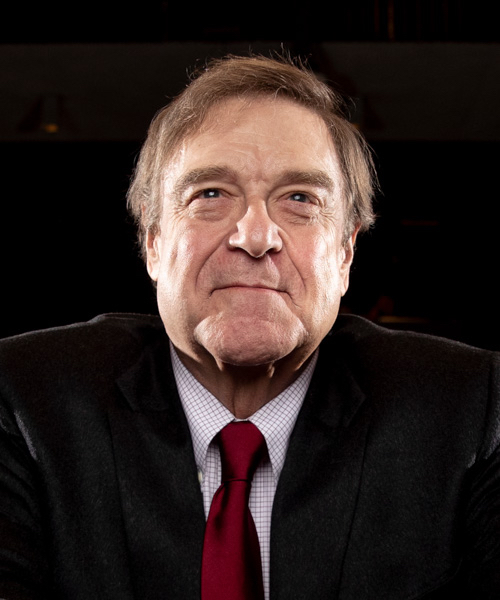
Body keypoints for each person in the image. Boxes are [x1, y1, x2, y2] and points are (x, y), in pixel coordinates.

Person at [0, 54, 499, 600]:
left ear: (346, 254)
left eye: (300, 199)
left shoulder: (472, 407)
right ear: (153, 243)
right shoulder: (22, 399)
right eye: (210, 194)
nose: (256, 237)